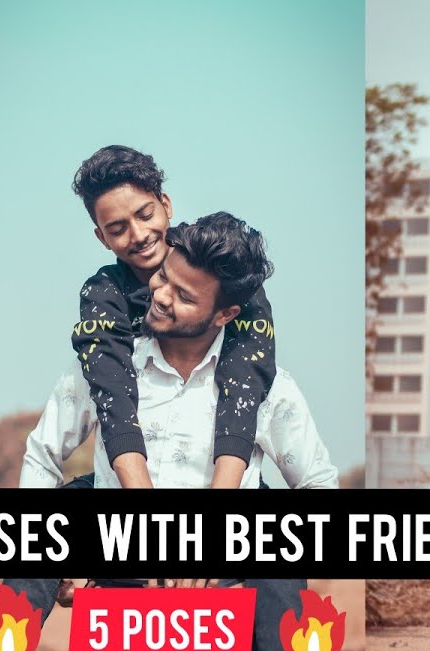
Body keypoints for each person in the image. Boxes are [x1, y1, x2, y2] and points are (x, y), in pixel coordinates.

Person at [0, 213, 335, 651]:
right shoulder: (110, 369)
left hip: (216, 602)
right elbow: (42, 454)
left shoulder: (267, 388)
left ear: (225, 314)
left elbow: (318, 484)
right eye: (164, 277)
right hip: (124, 593)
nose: (163, 296)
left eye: (186, 296)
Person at [69, 145, 276, 491]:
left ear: (166, 205)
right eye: (117, 229)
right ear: (101, 238)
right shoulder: (103, 293)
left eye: (145, 215)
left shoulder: (224, 271)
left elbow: (243, 385)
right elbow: (112, 395)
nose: (138, 235)